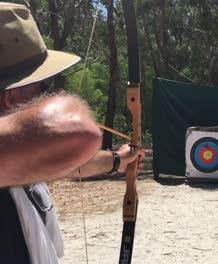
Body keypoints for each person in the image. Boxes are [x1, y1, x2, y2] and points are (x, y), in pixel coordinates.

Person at [0, 2, 145, 263]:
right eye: (41, 87)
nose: (45, 95)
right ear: (11, 99)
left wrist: (118, 160)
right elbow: (76, 133)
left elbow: (66, 165)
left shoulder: (14, 157)